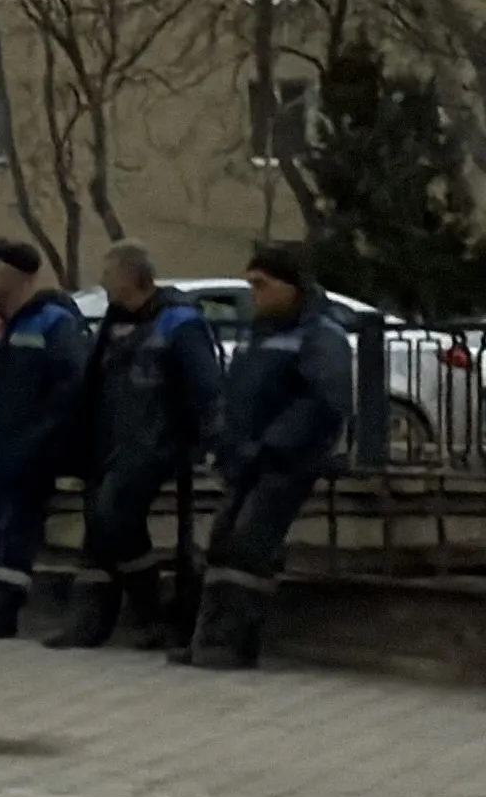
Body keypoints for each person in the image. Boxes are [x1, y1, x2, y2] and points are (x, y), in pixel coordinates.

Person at [175, 242, 355, 671]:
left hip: (287, 460)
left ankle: (233, 643)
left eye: (261, 284)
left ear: (290, 286)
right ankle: (208, 638)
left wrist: (271, 446)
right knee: (222, 541)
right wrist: (224, 440)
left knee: (249, 545)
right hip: (247, 458)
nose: (253, 293)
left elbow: (323, 401)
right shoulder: (261, 332)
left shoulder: (320, 334)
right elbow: (236, 392)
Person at [50, 241, 219, 651]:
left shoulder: (178, 321)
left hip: (155, 443)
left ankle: (150, 607)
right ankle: (93, 621)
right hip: (109, 443)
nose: (103, 282)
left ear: (131, 275)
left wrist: (206, 440)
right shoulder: (115, 323)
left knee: (114, 516)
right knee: (99, 526)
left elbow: (204, 386)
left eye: (109, 273)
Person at [0, 239, 88, 640]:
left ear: (20, 275)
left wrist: (45, 440)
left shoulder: (53, 323)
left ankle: (1, 611)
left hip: (31, 449)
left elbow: (70, 387)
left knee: (15, 528)